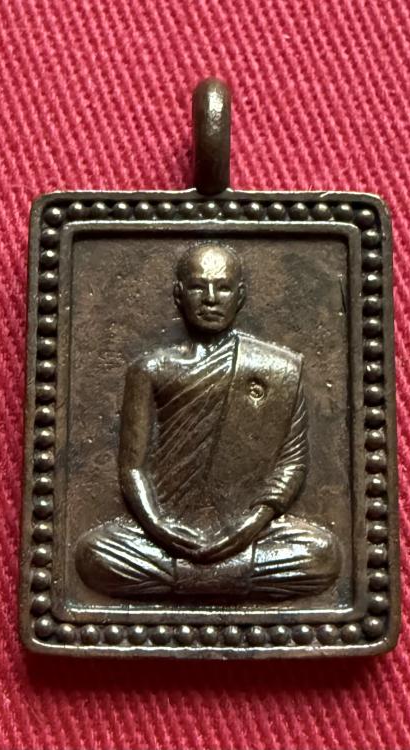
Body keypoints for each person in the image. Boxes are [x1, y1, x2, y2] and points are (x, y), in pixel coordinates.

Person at [76, 242, 340, 598]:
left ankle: (186, 578)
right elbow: (133, 468)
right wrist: (161, 528)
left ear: (240, 296)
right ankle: (227, 577)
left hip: (250, 531)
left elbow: (292, 463)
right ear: (179, 295)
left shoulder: (277, 369)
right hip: (166, 533)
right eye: (199, 287)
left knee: (322, 555)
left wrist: (250, 526)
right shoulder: (152, 369)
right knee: (93, 554)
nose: (211, 299)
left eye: (223, 288)